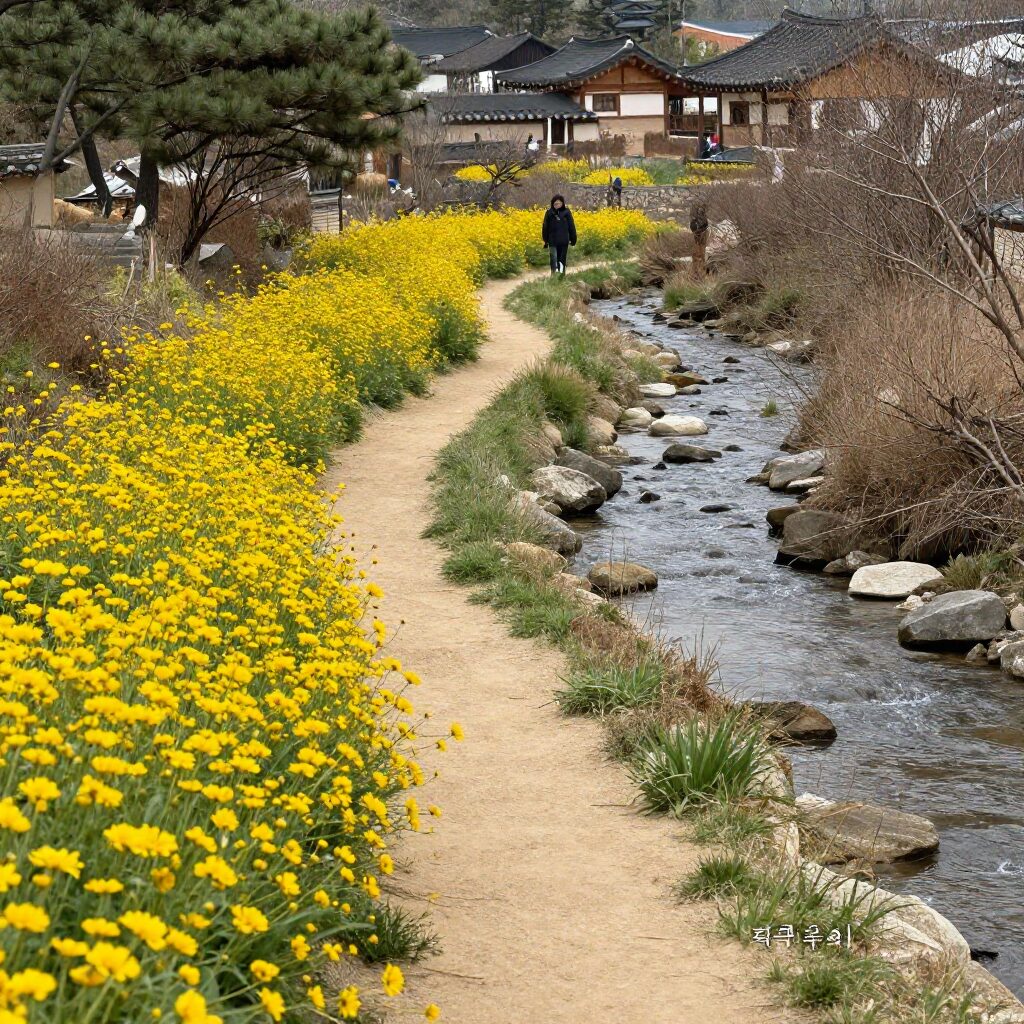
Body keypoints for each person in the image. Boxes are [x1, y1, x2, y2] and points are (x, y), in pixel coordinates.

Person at [542, 194, 576, 276]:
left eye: (559, 203)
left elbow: (571, 226)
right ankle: (554, 276)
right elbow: (545, 227)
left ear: (562, 203)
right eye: (555, 204)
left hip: (563, 241)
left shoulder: (567, 212)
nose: (557, 205)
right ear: (552, 204)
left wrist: (573, 239)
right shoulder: (549, 213)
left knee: (561, 259)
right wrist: (545, 240)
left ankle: (561, 276)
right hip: (552, 241)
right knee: (553, 259)